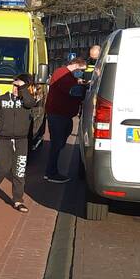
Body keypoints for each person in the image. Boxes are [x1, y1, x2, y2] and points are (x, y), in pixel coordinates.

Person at [0, 73, 38, 212]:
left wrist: (23, 90)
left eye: (19, 86)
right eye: (14, 85)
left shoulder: (27, 100)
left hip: (21, 141)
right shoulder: (1, 100)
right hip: (4, 140)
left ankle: (18, 200)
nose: (16, 88)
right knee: (2, 168)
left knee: (19, 171)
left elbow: (30, 103)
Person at [44, 55, 88, 183]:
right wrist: (85, 89)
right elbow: (73, 92)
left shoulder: (68, 76)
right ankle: (51, 172)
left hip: (64, 114)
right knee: (57, 143)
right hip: (58, 114)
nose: (82, 73)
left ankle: (51, 170)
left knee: (60, 141)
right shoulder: (63, 74)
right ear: (76, 66)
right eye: (82, 70)